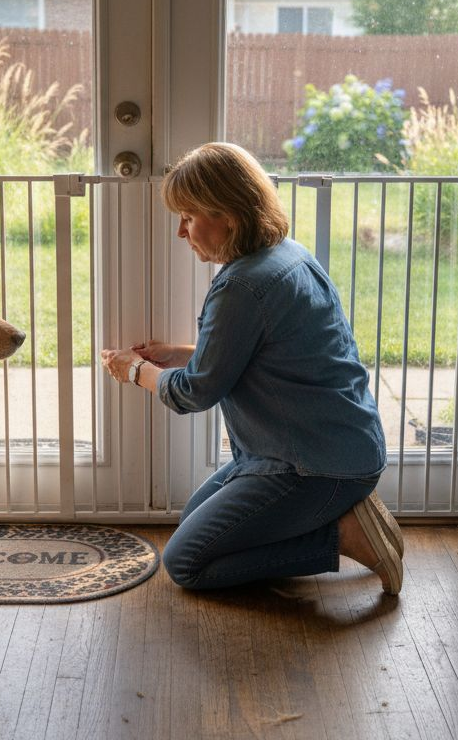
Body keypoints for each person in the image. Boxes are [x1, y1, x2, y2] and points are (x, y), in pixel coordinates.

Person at [98, 142, 404, 594]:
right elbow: (261, 354)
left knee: (187, 563)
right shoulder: (287, 254)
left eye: (188, 216)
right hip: (336, 447)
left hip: (311, 466)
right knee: (196, 527)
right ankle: (343, 513)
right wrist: (181, 354)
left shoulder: (241, 286)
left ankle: (343, 536)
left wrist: (134, 369)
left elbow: (194, 394)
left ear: (229, 215)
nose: (182, 232)